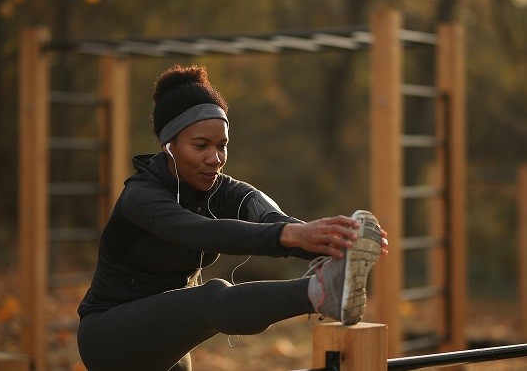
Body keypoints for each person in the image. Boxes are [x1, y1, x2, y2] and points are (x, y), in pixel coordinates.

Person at [76, 64, 389, 371]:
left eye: (221, 146)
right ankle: (320, 292)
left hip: (170, 346)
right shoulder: (141, 197)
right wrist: (291, 236)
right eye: (201, 146)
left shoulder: (222, 188)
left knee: (209, 296)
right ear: (168, 146)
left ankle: (332, 282)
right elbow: (203, 232)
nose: (215, 159)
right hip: (109, 340)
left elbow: (271, 219)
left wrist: (335, 245)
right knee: (211, 297)